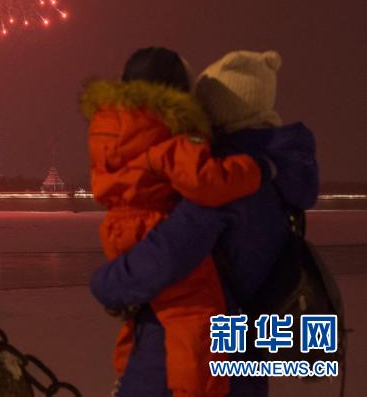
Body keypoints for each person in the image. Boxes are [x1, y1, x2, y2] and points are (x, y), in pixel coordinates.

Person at [90, 50, 318, 396]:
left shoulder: (221, 188)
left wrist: (104, 283)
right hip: (243, 360)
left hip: (176, 362)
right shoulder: (276, 178)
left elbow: (159, 261)